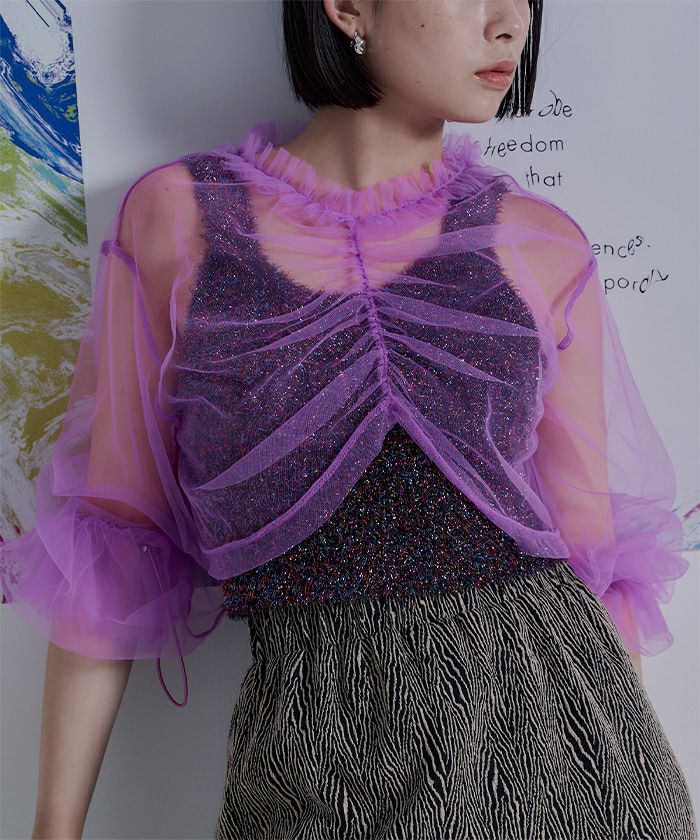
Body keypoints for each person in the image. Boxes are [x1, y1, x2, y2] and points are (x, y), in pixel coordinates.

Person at [1, 0, 696, 838]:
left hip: (565, 746)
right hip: (310, 746)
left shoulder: (538, 242)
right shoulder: (179, 217)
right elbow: (113, 539)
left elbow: (594, 557)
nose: (511, 22)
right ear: (347, 6)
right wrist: (54, 827)